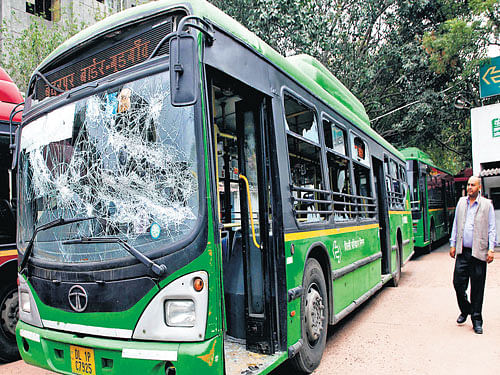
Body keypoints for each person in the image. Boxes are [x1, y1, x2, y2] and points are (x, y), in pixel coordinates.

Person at [449, 176, 496, 334]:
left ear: (479, 188)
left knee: (477, 288)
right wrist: (452, 244)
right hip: (463, 252)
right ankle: (466, 309)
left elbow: (491, 228)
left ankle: (477, 320)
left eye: (473, 185)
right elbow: (456, 224)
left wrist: (491, 249)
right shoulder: (461, 202)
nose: (469, 187)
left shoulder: (486, 205)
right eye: (468, 185)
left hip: (479, 252)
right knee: (457, 283)